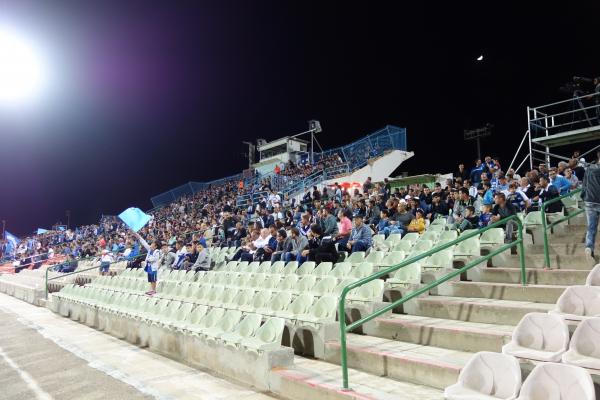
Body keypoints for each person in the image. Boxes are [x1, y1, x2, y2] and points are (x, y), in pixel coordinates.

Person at [582, 150, 600, 259]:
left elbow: (584, 185)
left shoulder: (589, 168)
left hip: (589, 201)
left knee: (591, 227)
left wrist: (584, 197)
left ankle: (589, 247)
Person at [132, 231, 162, 295]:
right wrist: (137, 236)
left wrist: (147, 260)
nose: (151, 244)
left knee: (153, 279)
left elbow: (154, 259)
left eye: (152, 244)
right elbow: (143, 242)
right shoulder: (149, 249)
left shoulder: (157, 252)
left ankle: (154, 290)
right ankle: (151, 289)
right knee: (150, 279)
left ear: (155, 246)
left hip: (153, 267)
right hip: (149, 267)